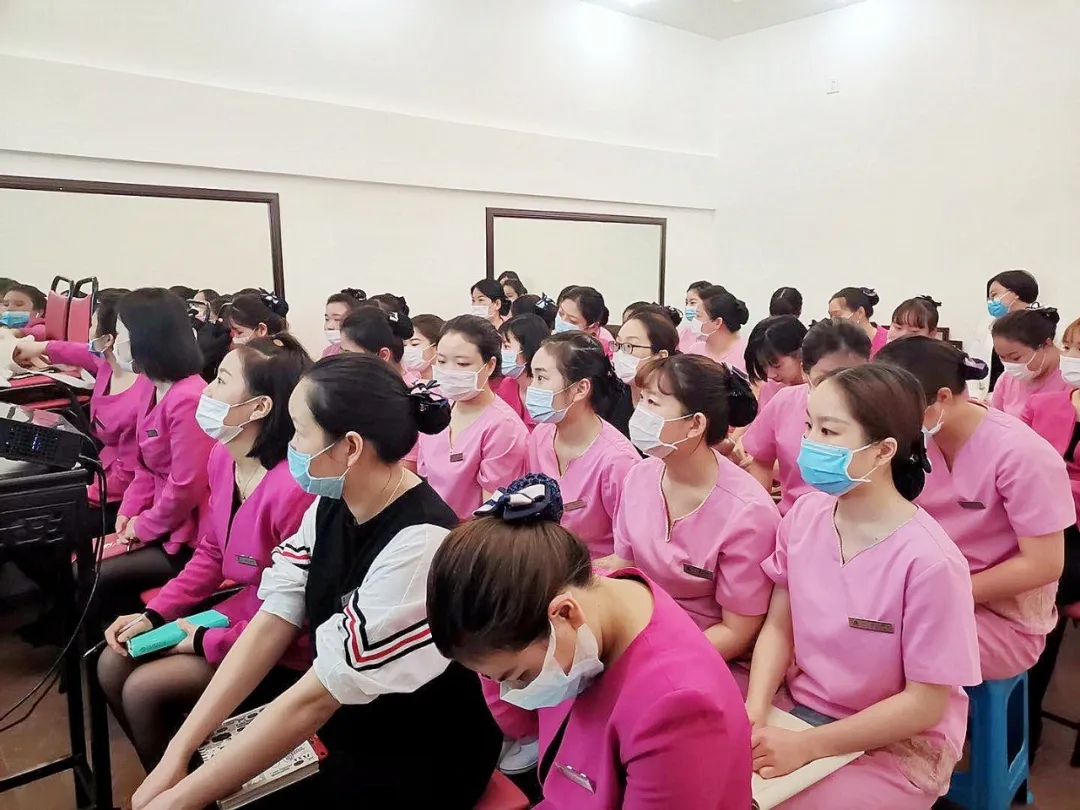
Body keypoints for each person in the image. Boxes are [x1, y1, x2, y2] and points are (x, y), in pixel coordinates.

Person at [130, 354, 501, 810]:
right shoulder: (335, 501)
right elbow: (274, 618)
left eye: (300, 432)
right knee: (195, 766)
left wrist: (178, 798)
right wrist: (177, 752)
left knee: (216, 796)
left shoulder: (420, 543)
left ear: (349, 447)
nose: (290, 444)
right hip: (348, 711)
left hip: (418, 746)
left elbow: (317, 698)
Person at [426, 473, 753, 810]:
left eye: (519, 676)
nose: (514, 692)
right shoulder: (583, 602)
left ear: (565, 614)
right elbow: (521, 724)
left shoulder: (677, 709)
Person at [745, 364, 980, 810]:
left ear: (883, 450)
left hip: (895, 739)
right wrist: (754, 710)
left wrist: (810, 746)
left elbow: (924, 705)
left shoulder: (931, 562)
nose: (809, 442)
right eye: (809, 426)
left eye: (829, 431)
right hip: (800, 710)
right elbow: (779, 626)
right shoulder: (804, 516)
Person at [96, 335, 315, 769]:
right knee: (111, 664)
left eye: (221, 380)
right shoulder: (223, 457)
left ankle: (186, 788)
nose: (206, 390)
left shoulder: (295, 489)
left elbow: (294, 612)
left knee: (145, 689)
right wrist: (155, 614)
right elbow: (212, 553)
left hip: (281, 638)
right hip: (241, 613)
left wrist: (200, 638)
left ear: (259, 407)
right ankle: (173, 779)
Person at [876, 337, 1072, 680]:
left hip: (1000, 618)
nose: (889, 421)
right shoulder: (915, 442)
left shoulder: (1022, 456)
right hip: (923, 593)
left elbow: (1044, 564)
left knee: (880, 647)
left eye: (897, 410)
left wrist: (942, 593)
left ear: (942, 398)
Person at [602, 355, 778, 663]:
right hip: (639, 626)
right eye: (642, 399)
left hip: (703, 652)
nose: (640, 412)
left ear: (695, 423)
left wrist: (655, 659)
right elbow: (624, 565)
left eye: (653, 403)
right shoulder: (640, 477)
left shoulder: (748, 513)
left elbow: (736, 631)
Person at [102, 289, 216, 620]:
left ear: (147, 338)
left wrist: (144, 525)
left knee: (98, 578)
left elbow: (186, 486)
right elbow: (145, 467)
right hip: (160, 520)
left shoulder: (188, 398)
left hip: (188, 534)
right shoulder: (151, 386)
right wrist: (128, 511)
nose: (116, 343)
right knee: (87, 567)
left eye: (121, 334)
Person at [525, 332, 640, 559]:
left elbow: (628, 556)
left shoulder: (618, 462)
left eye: (541, 378)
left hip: (594, 573)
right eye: (532, 376)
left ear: (580, 389)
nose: (532, 387)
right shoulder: (540, 436)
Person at [1021, 315, 1080, 756]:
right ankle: (1017, 719)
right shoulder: (1044, 406)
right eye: (1071, 347)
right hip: (1045, 521)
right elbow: (1018, 463)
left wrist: (1060, 488)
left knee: (1045, 589)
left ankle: (1024, 724)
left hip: (1073, 532)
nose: (1072, 358)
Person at [742, 319, 872, 515]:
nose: (840, 387)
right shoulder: (784, 402)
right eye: (826, 378)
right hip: (792, 518)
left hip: (857, 520)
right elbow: (761, 461)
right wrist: (762, 513)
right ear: (805, 371)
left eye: (852, 376)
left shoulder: (877, 409)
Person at [417, 315, 528, 519]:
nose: (449, 371)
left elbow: (491, 515)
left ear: (490, 365)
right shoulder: (435, 407)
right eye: (441, 361)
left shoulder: (503, 427)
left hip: (469, 534)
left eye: (462, 364)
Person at [339, 305, 422, 471]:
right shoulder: (359, 388)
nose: (343, 360)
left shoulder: (413, 398)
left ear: (383, 355)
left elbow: (408, 466)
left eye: (348, 353)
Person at [990, 306, 1069, 417]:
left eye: (1015, 358)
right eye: (1002, 357)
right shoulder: (1007, 380)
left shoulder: (1071, 378)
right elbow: (996, 420)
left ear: (1046, 344)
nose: (1010, 365)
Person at [976, 269, 1040, 395]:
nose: (990, 301)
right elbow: (976, 360)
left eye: (994, 295)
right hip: (987, 397)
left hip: (1027, 396)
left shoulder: (1045, 323)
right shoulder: (986, 325)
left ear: (1015, 293)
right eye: (989, 298)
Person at [494, 313, 550, 432]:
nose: (500, 352)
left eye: (506, 346)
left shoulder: (547, 393)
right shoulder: (506, 386)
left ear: (528, 350)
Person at [744, 315, 808, 411]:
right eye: (763, 366)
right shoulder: (769, 389)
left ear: (801, 352)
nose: (770, 375)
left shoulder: (824, 388)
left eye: (777, 365)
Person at [612, 309, 679, 401]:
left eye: (629, 346)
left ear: (660, 356)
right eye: (617, 344)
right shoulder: (612, 395)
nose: (620, 353)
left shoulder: (675, 403)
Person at [685, 285, 750, 372]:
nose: (694, 320)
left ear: (717, 322)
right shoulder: (695, 351)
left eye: (698, 316)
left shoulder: (748, 355)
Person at [828, 287, 888, 357]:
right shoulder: (835, 343)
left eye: (837, 315)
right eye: (831, 315)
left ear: (860, 312)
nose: (833, 320)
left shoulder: (889, 340)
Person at [555, 286, 613, 353]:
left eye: (572, 321)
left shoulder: (599, 354)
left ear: (592, 327)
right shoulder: (552, 341)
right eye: (560, 313)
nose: (562, 321)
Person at [321, 288, 365, 357]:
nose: (329, 326)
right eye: (327, 319)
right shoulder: (328, 352)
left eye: (337, 319)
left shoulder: (364, 354)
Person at [402, 313, 443, 381]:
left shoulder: (448, 383)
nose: (407, 349)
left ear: (436, 347)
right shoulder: (399, 381)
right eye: (404, 345)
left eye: (414, 344)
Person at [678, 280, 712, 352]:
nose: (688, 306)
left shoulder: (718, 333)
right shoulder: (685, 332)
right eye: (686, 303)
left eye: (692, 302)